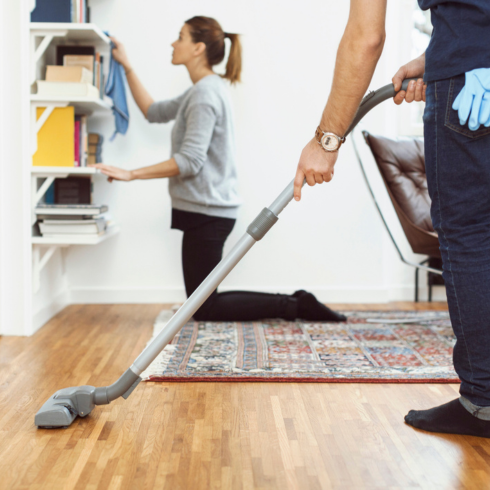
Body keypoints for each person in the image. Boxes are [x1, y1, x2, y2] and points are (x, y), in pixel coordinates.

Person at [294, 0, 490, 437]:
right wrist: (438, 54)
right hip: (472, 67)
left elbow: (366, 37)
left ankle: (484, 402)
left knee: (472, 237)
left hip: (469, 90)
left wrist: (326, 141)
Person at [93, 16, 346, 323]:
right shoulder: (199, 90)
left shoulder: (204, 94)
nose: (173, 43)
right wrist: (127, 65)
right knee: (200, 303)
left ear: (198, 48)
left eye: (180, 37)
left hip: (208, 213)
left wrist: (131, 174)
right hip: (204, 210)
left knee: (203, 307)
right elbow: (153, 111)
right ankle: (294, 304)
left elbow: (189, 161)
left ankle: (296, 305)